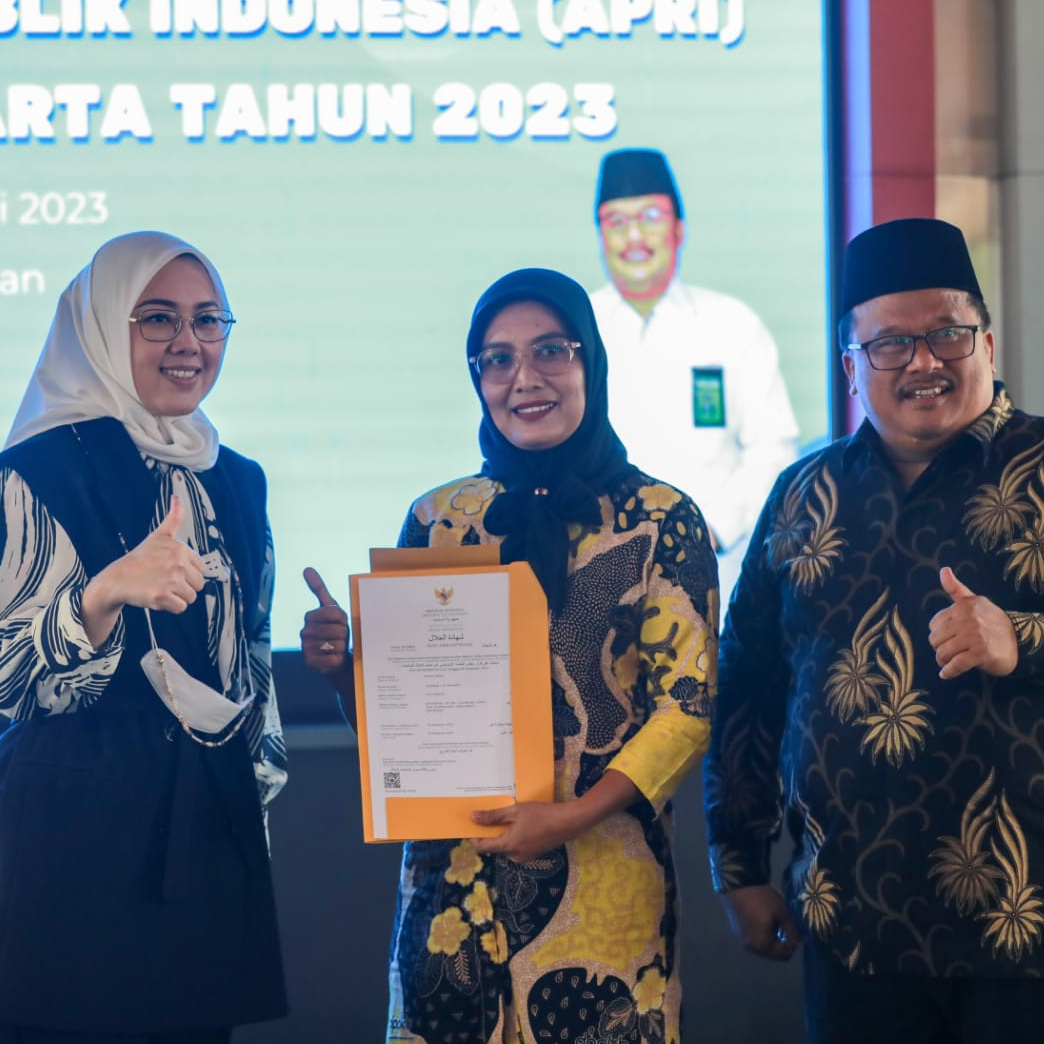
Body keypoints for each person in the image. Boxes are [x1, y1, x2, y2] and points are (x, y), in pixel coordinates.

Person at [301, 268, 717, 1043]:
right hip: (453, 894)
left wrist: (566, 817)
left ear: (590, 360)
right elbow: (403, 730)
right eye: (497, 359)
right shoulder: (440, 518)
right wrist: (342, 672)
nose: (524, 378)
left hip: (604, 890)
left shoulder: (661, 518)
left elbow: (685, 712)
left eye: (551, 350)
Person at [703, 216, 1044, 1043]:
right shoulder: (802, 496)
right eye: (890, 343)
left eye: (947, 334)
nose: (924, 361)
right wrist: (738, 866)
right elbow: (749, 687)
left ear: (987, 342)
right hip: (852, 931)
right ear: (852, 367)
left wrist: (1021, 640)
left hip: (1026, 937)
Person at [0, 231, 287, 1042]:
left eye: (208, 319)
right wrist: (103, 595)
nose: (189, 342)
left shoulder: (238, 479)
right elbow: (8, 677)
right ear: (99, 326)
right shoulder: (36, 469)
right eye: (158, 318)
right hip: (72, 838)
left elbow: (249, 659)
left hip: (204, 833)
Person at [590, 146, 800, 605]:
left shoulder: (732, 323)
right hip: (599, 574)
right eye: (616, 222)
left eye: (650, 217)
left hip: (717, 572)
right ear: (600, 236)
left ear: (679, 229)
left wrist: (711, 529)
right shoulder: (579, 328)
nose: (634, 237)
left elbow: (773, 447)